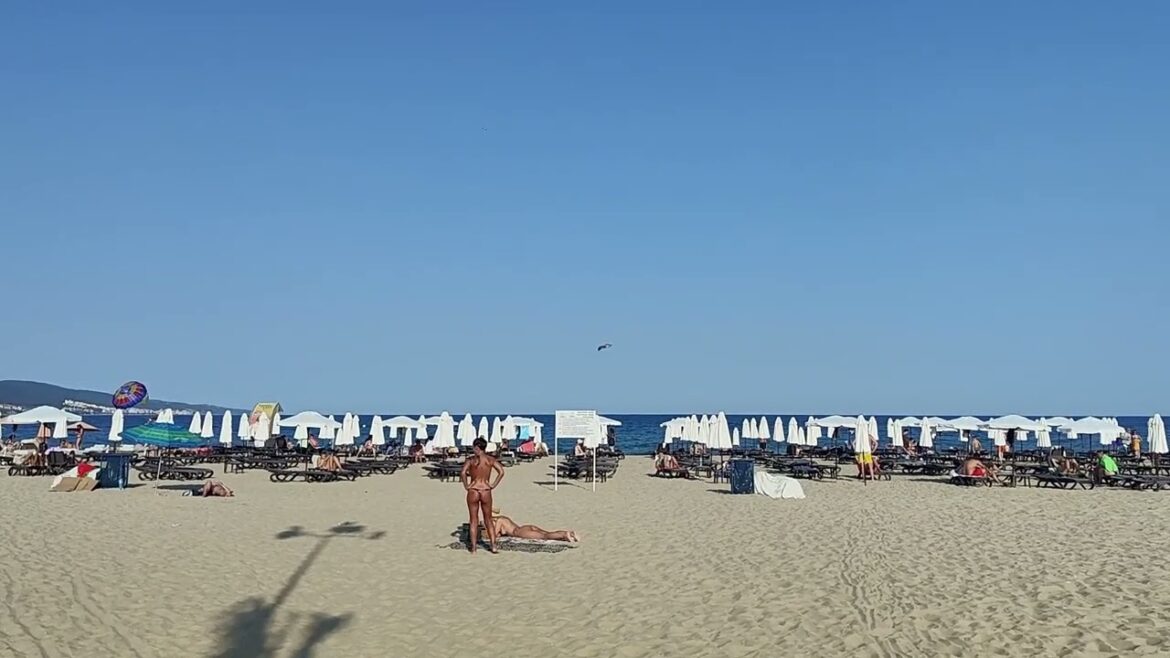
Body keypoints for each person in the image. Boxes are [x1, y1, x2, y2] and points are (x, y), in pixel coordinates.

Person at [460, 438, 504, 554]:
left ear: (476, 447)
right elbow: (501, 471)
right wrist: (493, 484)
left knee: (473, 520)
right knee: (488, 519)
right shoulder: (490, 459)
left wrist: (466, 485)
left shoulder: (471, 460)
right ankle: (493, 546)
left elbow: (463, 472)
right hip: (485, 489)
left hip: (473, 489)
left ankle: (474, 548)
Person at [490, 509, 577, 543]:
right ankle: (568, 535)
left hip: (520, 532)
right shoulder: (504, 518)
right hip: (525, 527)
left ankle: (565, 534)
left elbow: (494, 535)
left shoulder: (499, 521)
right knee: (547, 533)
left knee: (544, 536)